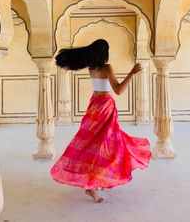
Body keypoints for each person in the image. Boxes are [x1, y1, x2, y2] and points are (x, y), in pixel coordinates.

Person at [50, 39, 151, 203]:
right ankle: (91, 185)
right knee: (104, 145)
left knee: (94, 144)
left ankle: (94, 181)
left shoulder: (92, 68)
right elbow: (118, 90)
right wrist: (131, 74)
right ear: (104, 53)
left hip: (95, 105)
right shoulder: (106, 68)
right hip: (104, 106)